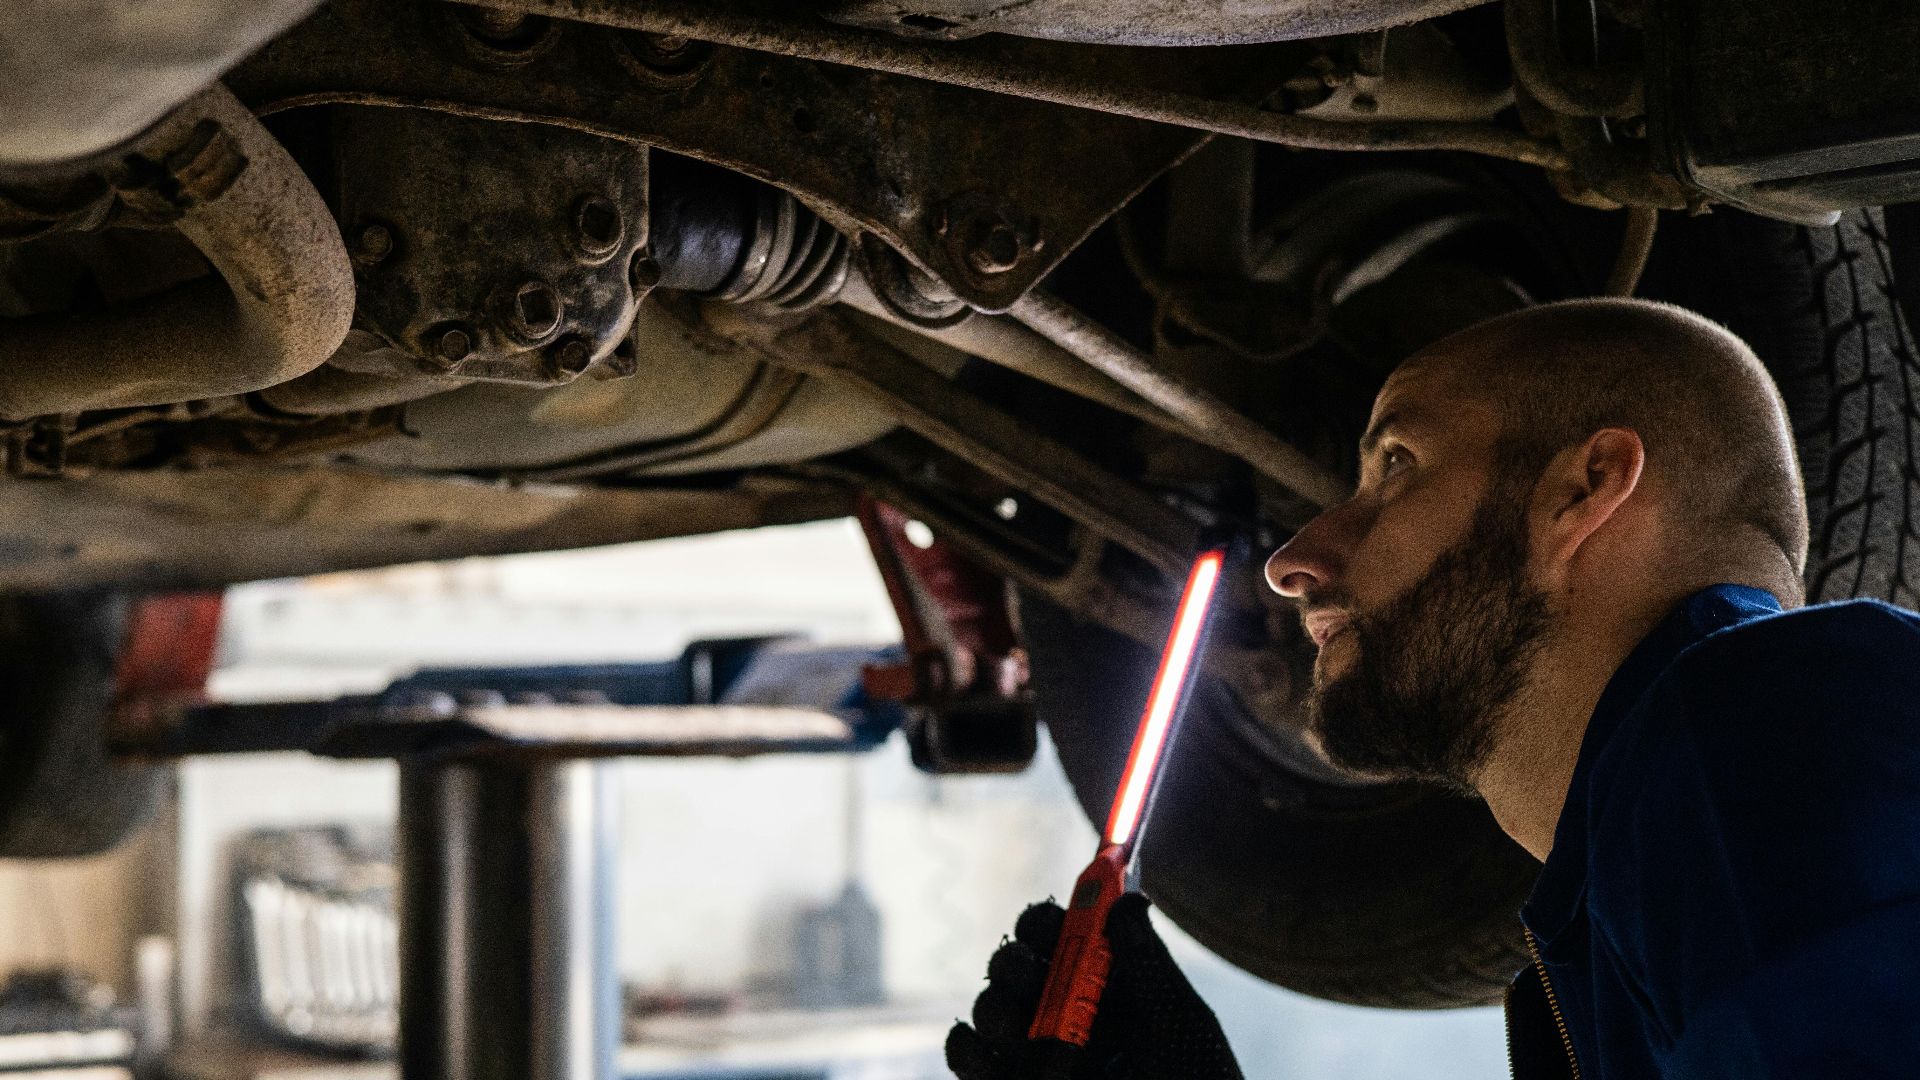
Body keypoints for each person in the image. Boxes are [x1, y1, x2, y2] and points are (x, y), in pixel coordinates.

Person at [947, 297, 1920, 1078]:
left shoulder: (1759, 732)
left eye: (1397, 467)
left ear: (1584, 493)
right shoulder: (1637, 870)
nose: (1293, 560)